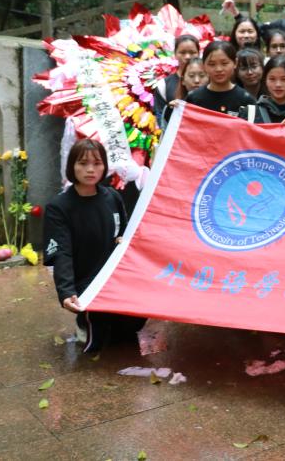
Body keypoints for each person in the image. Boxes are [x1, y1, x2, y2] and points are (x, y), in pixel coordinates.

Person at [43, 139, 147, 352]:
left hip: (114, 276)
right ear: (72, 166)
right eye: (83, 163)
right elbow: (62, 253)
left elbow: (124, 234)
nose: (90, 169)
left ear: (105, 166)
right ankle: (85, 323)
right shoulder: (58, 208)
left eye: (97, 163)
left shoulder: (113, 197)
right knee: (97, 339)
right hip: (86, 279)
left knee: (134, 321)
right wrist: (66, 291)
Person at [238, 55, 285, 124]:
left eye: (284, 79)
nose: (278, 85)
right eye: (272, 79)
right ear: (265, 80)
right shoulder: (250, 114)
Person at [185, 41, 255, 114]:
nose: (219, 69)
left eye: (224, 63)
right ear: (203, 65)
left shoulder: (246, 99)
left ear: (235, 63)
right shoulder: (193, 98)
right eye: (212, 64)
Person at [152, 34, 200, 128]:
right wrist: (169, 110)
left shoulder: (209, 81)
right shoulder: (163, 85)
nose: (187, 56)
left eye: (192, 52)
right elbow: (160, 118)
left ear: (199, 53)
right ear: (175, 54)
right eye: (182, 52)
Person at [162, 56, 205, 127]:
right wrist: (170, 111)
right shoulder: (174, 107)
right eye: (191, 76)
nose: (197, 80)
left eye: (202, 75)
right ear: (183, 80)